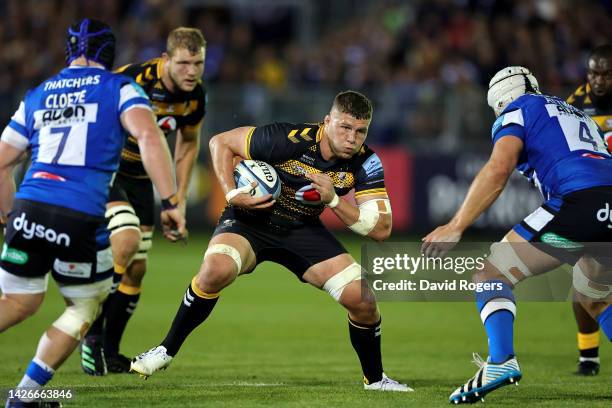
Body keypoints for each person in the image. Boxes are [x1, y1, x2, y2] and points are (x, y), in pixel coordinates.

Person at [130, 90, 412, 392]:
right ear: (327, 121)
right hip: (250, 222)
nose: (351, 138)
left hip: (302, 227)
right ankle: (165, 350)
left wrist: (333, 201)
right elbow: (220, 142)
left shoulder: (366, 162)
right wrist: (232, 194)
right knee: (215, 271)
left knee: (363, 300)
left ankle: (376, 379)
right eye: (344, 127)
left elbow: (381, 229)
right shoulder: (288, 138)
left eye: (360, 131)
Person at [0, 18, 185, 407]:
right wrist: (170, 201)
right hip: (79, 214)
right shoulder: (119, 87)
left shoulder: (38, 93)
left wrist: (7, 215)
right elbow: (149, 136)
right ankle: (22, 398)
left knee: (16, 303)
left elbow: (2, 162)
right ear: (110, 53)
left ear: (68, 51)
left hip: (28, 208)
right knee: (82, 307)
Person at [422, 66, 612, 404]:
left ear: (499, 100)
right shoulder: (576, 112)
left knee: (491, 273)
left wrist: (456, 225)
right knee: (596, 296)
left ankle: (501, 361)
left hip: (578, 202)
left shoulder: (518, 109)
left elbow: (498, 169)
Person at [80, 27, 207, 374]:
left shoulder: (195, 96)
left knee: (136, 268)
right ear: (166, 59)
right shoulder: (132, 79)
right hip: (106, 171)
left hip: (139, 181)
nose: (191, 71)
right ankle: (89, 336)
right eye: (183, 63)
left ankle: (109, 349)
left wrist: (177, 200)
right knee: (123, 243)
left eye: (198, 63)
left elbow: (187, 144)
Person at [566, 44, 612, 376]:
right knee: (584, 283)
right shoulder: (574, 106)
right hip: (594, 199)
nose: (598, 79)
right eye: (593, 72)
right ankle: (588, 357)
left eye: (606, 74)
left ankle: (588, 357)